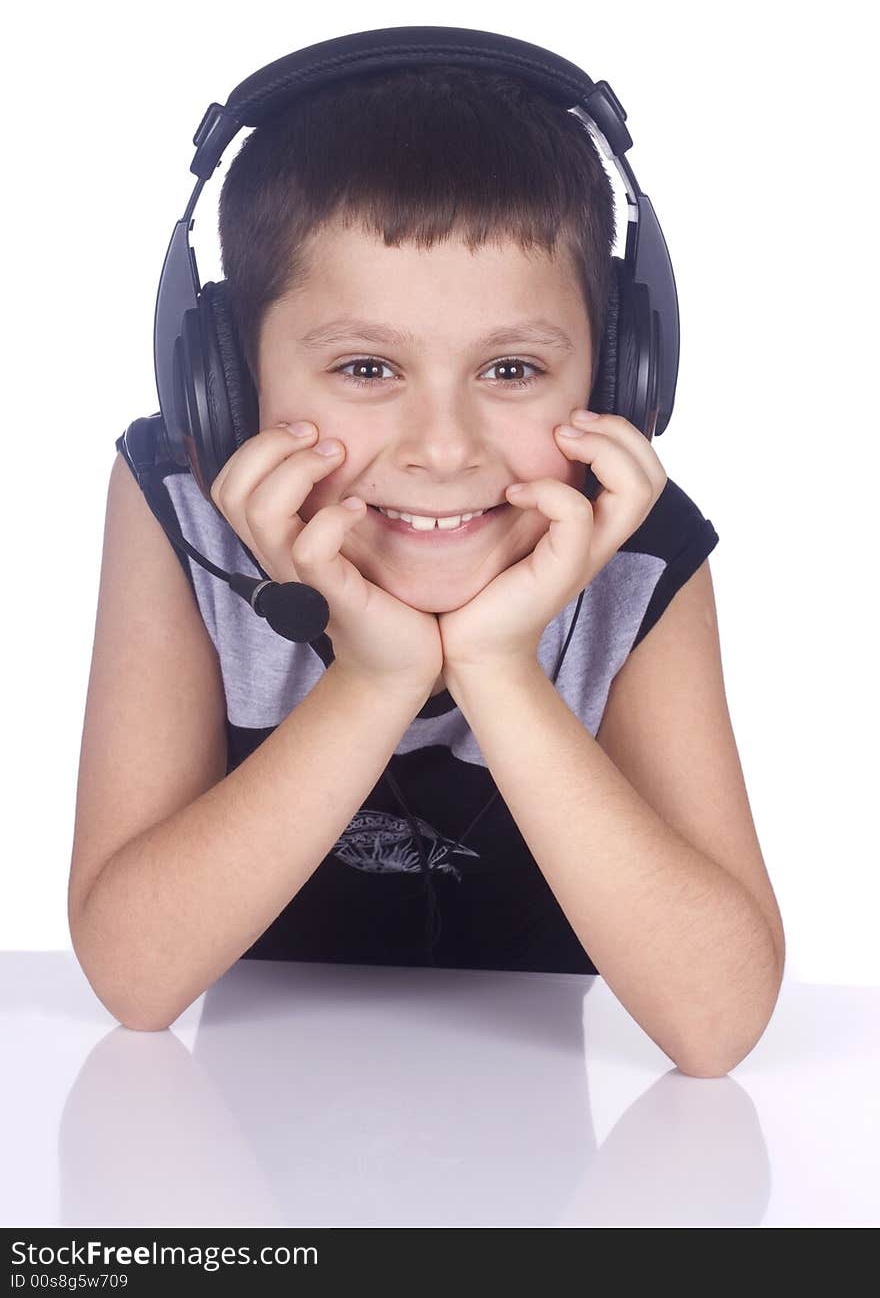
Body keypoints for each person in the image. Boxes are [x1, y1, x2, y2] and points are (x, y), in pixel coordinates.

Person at [68, 60, 784, 1070]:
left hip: (541, 1168)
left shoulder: (631, 551)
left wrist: (495, 666)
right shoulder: (179, 508)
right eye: (366, 368)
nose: (443, 448)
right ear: (224, 391)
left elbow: (716, 1028)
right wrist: (377, 674)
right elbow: (134, 982)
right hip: (227, 1135)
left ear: (623, 376)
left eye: (511, 369)